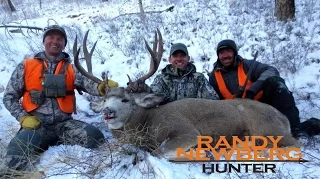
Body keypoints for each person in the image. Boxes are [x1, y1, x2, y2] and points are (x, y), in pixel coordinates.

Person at [2, 25, 119, 172]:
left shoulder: (72, 68)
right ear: (44, 41)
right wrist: (23, 118)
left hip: (64, 125)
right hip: (36, 126)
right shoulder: (26, 66)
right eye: (51, 37)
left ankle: (52, 143)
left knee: (95, 138)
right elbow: (9, 97)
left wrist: (102, 87)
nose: (55, 41)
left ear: (64, 44)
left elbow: (88, 83)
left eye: (60, 39)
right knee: (14, 157)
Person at [208, 39, 307, 139]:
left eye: (229, 51)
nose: (225, 56)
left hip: (262, 106)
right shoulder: (213, 76)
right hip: (238, 114)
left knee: (275, 83)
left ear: (235, 52)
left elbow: (271, 70)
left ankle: (295, 131)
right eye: (221, 53)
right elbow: (215, 101)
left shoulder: (247, 65)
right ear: (218, 55)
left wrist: (253, 89)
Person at [149, 43, 219, 102]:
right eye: (175, 56)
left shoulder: (199, 78)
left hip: (195, 117)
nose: (179, 59)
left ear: (188, 58)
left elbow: (213, 100)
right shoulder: (161, 80)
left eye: (182, 56)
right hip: (168, 117)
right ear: (169, 59)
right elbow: (151, 97)